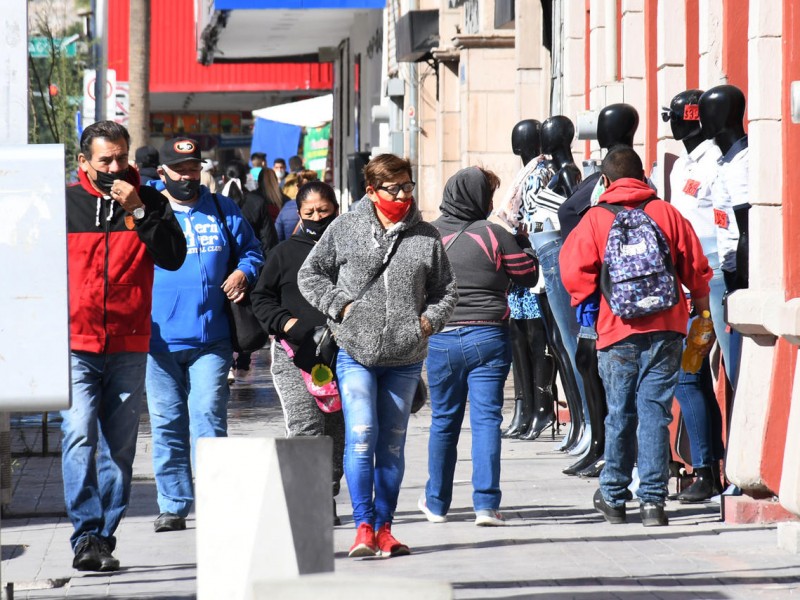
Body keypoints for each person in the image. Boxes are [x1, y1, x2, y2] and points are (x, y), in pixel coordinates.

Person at [298, 154, 458, 558]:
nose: (403, 195)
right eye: (394, 188)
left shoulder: (426, 235)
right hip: (356, 352)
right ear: (372, 191)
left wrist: (427, 322)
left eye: (408, 186)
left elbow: (446, 290)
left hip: (405, 357)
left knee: (391, 443)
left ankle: (386, 528)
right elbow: (309, 274)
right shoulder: (347, 227)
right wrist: (340, 306)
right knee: (362, 434)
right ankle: (363, 525)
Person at [560, 147, 713, 527]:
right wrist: (699, 306)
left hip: (616, 330)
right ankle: (653, 504)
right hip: (667, 328)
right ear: (644, 176)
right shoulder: (666, 213)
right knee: (655, 414)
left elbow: (573, 271)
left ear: (605, 182)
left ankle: (613, 498)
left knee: (619, 414)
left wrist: (590, 304)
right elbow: (694, 266)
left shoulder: (596, 219)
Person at [63, 121, 187, 572]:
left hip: (130, 343)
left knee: (119, 447)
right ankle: (84, 534)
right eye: (104, 160)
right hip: (75, 344)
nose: (115, 167)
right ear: (84, 162)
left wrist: (137, 210)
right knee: (78, 435)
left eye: (121, 158)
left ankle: (103, 537)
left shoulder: (149, 200)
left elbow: (173, 256)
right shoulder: (64, 203)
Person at [146, 137, 264, 533]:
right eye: (180, 169)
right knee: (167, 424)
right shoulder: (149, 212)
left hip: (211, 339)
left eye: (194, 168)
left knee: (209, 416)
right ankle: (173, 504)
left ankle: (216, 498)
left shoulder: (221, 208)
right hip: (158, 342)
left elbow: (253, 251)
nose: (188, 176)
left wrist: (242, 271)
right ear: (162, 172)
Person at [419, 167, 538, 527]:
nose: (489, 203)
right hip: (488, 337)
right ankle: (486, 505)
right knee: (486, 420)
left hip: (441, 338)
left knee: (444, 421)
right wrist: (525, 243)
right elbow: (528, 274)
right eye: (487, 195)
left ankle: (437, 504)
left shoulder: (427, 236)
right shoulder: (494, 235)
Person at [251, 181, 345, 524]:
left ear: (336, 207)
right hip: (295, 357)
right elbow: (261, 298)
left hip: (342, 358)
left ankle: (326, 491)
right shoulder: (284, 253)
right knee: (306, 426)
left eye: (324, 210)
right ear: (299, 213)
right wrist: (287, 324)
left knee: (337, 431)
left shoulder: (348, 251)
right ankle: (311, 502)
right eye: (310, 212)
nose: (318, 217)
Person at [220, 160, 278, 381]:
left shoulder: (216, 202)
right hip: (250, 268)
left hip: (222, 268)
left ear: (223, 178)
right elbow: (268, 240)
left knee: (223, 315)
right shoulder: (257, 202)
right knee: (245, 317)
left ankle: (225, 362)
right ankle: (242, 362)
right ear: (246, 178)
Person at [275, 171, 318, 240]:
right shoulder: (323, 208)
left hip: (292, 248)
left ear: (297, 187)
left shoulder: (287, 207)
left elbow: (277, 234)